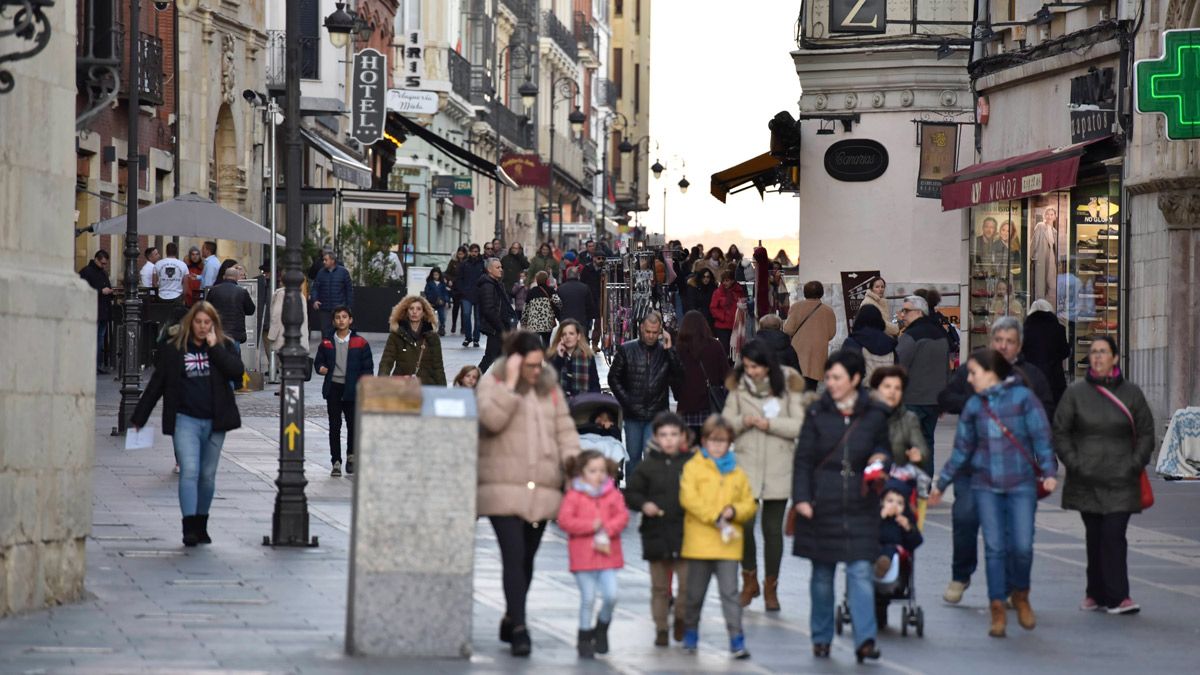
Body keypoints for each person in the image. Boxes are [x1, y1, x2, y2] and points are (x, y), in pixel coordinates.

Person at [931, 349, 1057, 638]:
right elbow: (961, 451)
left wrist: (1049, 471)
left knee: (1022, 546)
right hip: (985, 484)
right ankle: (997, 607)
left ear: (992, 372)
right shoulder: (974, 405)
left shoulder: (1024, 399)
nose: (970, 378)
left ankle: (1021, 594)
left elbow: (1041, 436)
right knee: (995, 548)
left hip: (1021, 485)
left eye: (974, 372)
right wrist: (941, 484)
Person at [477, 331, 580, 657]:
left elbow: (565, 431)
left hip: (543, 489)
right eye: (530, 365)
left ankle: (511, 613)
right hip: (502, 488)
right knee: (513, 554)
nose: (537, 371)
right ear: (516, 361)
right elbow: (490, 420)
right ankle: (520, 627)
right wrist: (509, 384)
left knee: (527, 560)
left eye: (540, 365)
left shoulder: (549, 387)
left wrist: (574, 466)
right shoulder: (494, 382)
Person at [792, 349, 891, 663]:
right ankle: (821, 637)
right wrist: (802, 499)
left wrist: (880, 458)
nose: (829, 383)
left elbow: (884, 448)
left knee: (861, 571)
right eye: (829, 377)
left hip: (861, 503)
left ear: (855, 379)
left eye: (836, 377)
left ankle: (865, 639)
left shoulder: (874, 415)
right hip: (823, 503)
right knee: (822, 575)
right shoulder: (816, 413)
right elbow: (803, 460)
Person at [1053, 335, 1154, 615]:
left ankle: (1119, 596)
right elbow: (1060, 431)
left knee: (1114, 534)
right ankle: (1094, 592)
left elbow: (1146, 433)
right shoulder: (1075, 394)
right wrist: (1074, 462)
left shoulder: (1131, 393)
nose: (1097, 357)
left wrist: (1135, 463)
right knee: (1095, 535)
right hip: (1086, 478)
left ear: (1115, 358)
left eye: (1103, 352)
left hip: (1122, 477)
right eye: (1093, 352)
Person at [130, 302, 244, 546]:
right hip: (186, 420)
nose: (202, 327)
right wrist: (139, 418)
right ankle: (189, 527)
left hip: (216, 422)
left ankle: (202, 522)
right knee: (189, 471)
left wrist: (215, 349)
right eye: (198, 322)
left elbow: (237, 372)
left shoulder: (224, 346)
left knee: (207, 476)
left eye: (207, 323)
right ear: (190, 323)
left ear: (214, 325)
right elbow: (157, 384)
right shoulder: (175, 349)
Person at [722, 339, 808, 612]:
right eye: (747, 367)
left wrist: (769, 424)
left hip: (778, 466)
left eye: (756, 367)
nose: (752, 372)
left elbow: (799, 425)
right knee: (743, 526)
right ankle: (749, 580)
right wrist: (741, 422)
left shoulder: (787, 387)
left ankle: (772, 587)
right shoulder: (737, 389)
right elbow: (724, 427)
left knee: (773, 531)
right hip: (746, 466)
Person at [679, 415, 756, 659]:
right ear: (704, 441)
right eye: (713, 441)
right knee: (694, 595)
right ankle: (690, 631)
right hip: (699, 543)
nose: (717, 446)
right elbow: (689, 498)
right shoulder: (693, 467)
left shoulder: (738, 472)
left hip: (728, 545)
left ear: (729, 443)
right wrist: (715, 516)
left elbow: (749, 504)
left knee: (730, 594)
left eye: (722, 441)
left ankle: (736, 638)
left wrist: (734, 512)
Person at [623, 412, 691, 647]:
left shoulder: (692, 464)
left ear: (683, 436)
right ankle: (661, 628)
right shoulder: (648, 465)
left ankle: (681, 617)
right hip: (656, 532)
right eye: (663, 435)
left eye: (674, 434)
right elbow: (632, 492)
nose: (669, 440)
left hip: (686, 532)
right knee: (660, 587)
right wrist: (644, 505)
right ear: (656, 437)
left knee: (687, 585)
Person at [557, 450, 628, 659]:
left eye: (602, 470)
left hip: (607, 555)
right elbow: (565, 520)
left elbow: (623, 516)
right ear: (581, 472)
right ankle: (584, 635)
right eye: (592, 471)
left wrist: (608, 527)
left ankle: (602, 626)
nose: (598, 475)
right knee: (587, 598)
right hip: (583, 556)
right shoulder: (574, 495)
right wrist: (590, 526)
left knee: (611, 595)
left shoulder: (612, 494)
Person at [607, 312, 684, 476]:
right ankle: (633, 496)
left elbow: (679, 376)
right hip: (633, 413)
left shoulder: (665, 352)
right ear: (641, 328)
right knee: (633, 457)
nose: (650, 336)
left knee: (653, 458)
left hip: (656, 414)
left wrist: (670, 349)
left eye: (654, 332)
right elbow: (613, 378)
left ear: (660, 332)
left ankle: (650, 496)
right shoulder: (627, 349)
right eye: (648, 331)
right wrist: (627, 401)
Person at [313, 306, 374, 477]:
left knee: (352, 424)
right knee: (334, 425)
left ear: (350, 320)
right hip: (334, 387)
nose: (341, 320)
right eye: (338, 317)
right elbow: (318, 362)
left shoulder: (360, 342)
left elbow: (367, 368)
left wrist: (364, 386)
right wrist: (321, 368)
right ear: (333, 321)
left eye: (344, 317)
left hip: (352, 388)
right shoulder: (327, 342)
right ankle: (336, 461)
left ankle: (351, 456)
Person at [895, 294, 949, 474]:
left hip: (912, 399)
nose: (902, 315)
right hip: (934, 400)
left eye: (906, 311)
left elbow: (899, 366)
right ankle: (924, 486)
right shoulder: (940, 335)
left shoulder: (910, 336)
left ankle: (911, 488)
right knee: (927, 443)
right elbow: (946, 369)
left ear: (918, 312)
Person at [672, 310, 729, 436]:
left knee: (688, 450)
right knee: (709, 450)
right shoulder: (715, 346)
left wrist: (679, 394)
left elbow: (674, 377)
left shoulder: (679, 349)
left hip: (686, 406)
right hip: (709, 405)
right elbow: (725, 374)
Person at [870, 365, 930, 477]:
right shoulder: (863, 414)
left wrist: (918, 454)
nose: (892, 392)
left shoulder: (908, 418)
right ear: (877, 389)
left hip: (897, 478)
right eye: (887, 386)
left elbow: (921, 448)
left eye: (897, 388)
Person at [783, 280, 838, 391]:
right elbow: (831, 334)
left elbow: (788, 329)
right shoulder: (828, 311)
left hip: (798, 349)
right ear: (821, 292)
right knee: (811, 385)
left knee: (797, 383)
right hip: (818, 351)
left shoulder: (796, 307)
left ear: (805, 292)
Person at [379, 295, 446, 385]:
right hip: (403, 386)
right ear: (406, 311)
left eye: (418, 309)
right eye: (411, 308)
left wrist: (443, 391)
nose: (414, 312)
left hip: (426, 387)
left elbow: (438, 366)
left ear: (424, 313)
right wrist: (382, 383)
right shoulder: (396, 334)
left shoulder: (432, 336)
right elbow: (386, 361)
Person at [875, 480, 924, 586]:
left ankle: (882, 565)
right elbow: (868, 531)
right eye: (890, 501)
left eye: (899, 503)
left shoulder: (905, 520)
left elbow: (917, 541)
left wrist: (908, 528)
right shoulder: (877, 515)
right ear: (882, 502)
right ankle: (877, 567)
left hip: (894, 549)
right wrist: (880, 517)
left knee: (890, 550)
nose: (894, 505)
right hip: (875, 545)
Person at [1021, 299, 1070, 405]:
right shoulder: (1058, 329)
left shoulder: (1024, 330)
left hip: (1030, 377)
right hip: (1054, 378)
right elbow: (1065, 352)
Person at [477, 257, 516, 373]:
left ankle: (498, 383)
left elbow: (504, 305)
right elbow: (488, 309)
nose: (501, 269)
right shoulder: (487, 285)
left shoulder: (497, 284)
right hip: (496, 328)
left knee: (501, 358)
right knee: (490, 357)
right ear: (489, 270)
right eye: (497, 267)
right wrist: (501, 327)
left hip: (501, 327)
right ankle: (472, 382)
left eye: (501, 267)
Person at [205, 266, 255, 354]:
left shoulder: (213, 290)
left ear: (224, 277)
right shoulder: (242, 291)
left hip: (217, 331)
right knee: (233, 359)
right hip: (235, 333)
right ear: (237, 277)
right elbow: (251, 310)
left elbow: (206, 309)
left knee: (217, 357)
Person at [842, 304, 897, 383]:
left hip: (863, 391)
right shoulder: (890, 343)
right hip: (887, 390)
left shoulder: (853, 342)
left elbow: (846, 370)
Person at [80, 250, 114, 373]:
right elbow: (82, 290)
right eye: (102, 263)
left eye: (105, 264)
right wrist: (101, 291)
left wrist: (110, 292)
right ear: (96, 259)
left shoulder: (103, 273)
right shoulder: (86, 272)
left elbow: (108, 287)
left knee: (100, 339)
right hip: (93, 310)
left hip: (103, 310)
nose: (104, 266)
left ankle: (97, 365)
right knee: (94, 338)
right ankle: (91, 365)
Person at [548, 319, 600, 398]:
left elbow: (595, 385)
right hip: (560, 404)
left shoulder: (587, 356)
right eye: (564, 334)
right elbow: (549, 382)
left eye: (571, 334)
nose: (567, 337)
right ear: (560, 337)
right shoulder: (553, 356)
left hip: (582, 404)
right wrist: (559, 358)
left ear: (578, 336)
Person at [312, 251, 353, 336]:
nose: (324, 262)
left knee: (340, 332)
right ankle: (327, 349)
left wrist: (348, 307)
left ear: (332, 260)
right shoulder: (320, 273)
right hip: (324, 308)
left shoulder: (343, 272)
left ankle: (339, 349)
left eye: (326, 260)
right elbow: (315, 288)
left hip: (339, 309)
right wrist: (315, 300)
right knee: (325, 333)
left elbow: (349, 290)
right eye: (323, 260)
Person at [266, 277, 309, 356]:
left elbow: (277, 316)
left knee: (284, 364)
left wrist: (272, 336)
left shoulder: (282, 294)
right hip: (299, 339)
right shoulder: (300, 295)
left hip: (284, 338)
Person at [521, 270, 561, 347]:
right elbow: (558, 302)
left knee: (534, 345)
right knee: (546, 343)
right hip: (547, 323)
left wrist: (523, 322)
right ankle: (546, 358)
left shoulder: (531, 292)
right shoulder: (550, 290)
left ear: (537, 280)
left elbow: (526, 309)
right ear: (547, 280)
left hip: (533, 324)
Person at [710, 270, 747, 353]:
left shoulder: (739, 291)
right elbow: (713, 308)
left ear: (732, 280)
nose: (725, 283)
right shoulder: (718, 292)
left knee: (735, 347)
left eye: (727, 280)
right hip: (722, 325)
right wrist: (723, 316)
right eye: (723, 281)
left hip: (736, 324)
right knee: (724, 347)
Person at [456, 244, 485, 348]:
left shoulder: (483, 264)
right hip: (466, 294)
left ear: (478, 252)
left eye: (476, 251)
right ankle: (468, 337)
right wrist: (462, 290)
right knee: (466, 316)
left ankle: (476, 339)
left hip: (479, 294)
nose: (474, 253)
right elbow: (459, 278)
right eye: (472, 251)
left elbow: (486, 278)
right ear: (469, 252)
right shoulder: (464, 264)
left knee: (478, 318)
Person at [557, 266, 596, 334]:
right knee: (581, 342)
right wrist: (588, 319)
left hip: (565, 321)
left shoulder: (560, 289)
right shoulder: (585, 288)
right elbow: (590, 306)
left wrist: (559, 318)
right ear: (578, 275)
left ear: (566, 275)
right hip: (581, 321)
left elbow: (556, 306)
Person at [684, 263, 717, 327]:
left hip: (711, 318)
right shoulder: (693, 288)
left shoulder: (713, 288)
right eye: (703, 277)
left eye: (708, 277)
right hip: (697, 318)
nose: (706, 279)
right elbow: (691, 304)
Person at [422, 268, 451, 336]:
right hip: (432, 302)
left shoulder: (442, 284)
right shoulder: (429, 283)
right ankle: (429, 328)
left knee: (442, 316)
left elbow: (445, 293)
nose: (435, 276)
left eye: (437, 275)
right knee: (430, 315)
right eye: (434, 275)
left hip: (441, 302)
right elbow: (427, 292)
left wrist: (446, 301)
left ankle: (442, 327)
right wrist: (430, 299)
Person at [445, 246, 467, 335]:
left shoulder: (467, 262)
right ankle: (454, 324)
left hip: (465, 288)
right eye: (459, 254)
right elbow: (447, 273)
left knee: (464, 308)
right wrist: (451, 280)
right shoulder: (453, 262)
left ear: (465, 254)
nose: (460, 255)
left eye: (462, 254)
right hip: (456, 287)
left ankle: (463, 327)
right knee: (456, 307)